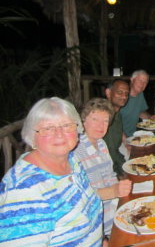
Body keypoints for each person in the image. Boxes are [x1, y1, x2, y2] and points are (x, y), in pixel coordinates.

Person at [0, 97, 103, 245]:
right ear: (32, 136)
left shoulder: (72, 161)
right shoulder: (24, 190)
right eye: (48, 128)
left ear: (77, 128)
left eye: (67, 126)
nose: (59, 134)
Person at [74, 98, 132, 237]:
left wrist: (120, 190)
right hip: (99, 223)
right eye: (95, 119)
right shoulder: (76, 151)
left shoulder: (101, 143)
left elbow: (111, 176)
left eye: (105, 121)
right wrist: (113, 191)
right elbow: (80, 198)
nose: (101, 126)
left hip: (117, 209)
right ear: (83, 121)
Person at [103, 78, 130, 176]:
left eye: (126, 94)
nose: (124, 96)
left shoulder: (116, 112)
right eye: (120, 92)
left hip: (117, 154)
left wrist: (126, 141)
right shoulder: (104, 116)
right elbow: (110, 152)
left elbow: (119, 131)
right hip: (108, 168)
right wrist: (123, 173)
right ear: (108, 92)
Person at [120, 70, 155, 137]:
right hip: (120, 137)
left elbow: (140, 112)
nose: (142, 84)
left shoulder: (140, 94)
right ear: (132, 79)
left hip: (134, 134)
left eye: (145, 82)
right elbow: (113, 122)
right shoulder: (122, 96)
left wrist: (150, 117)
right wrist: (124, 139)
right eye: (140, 81)